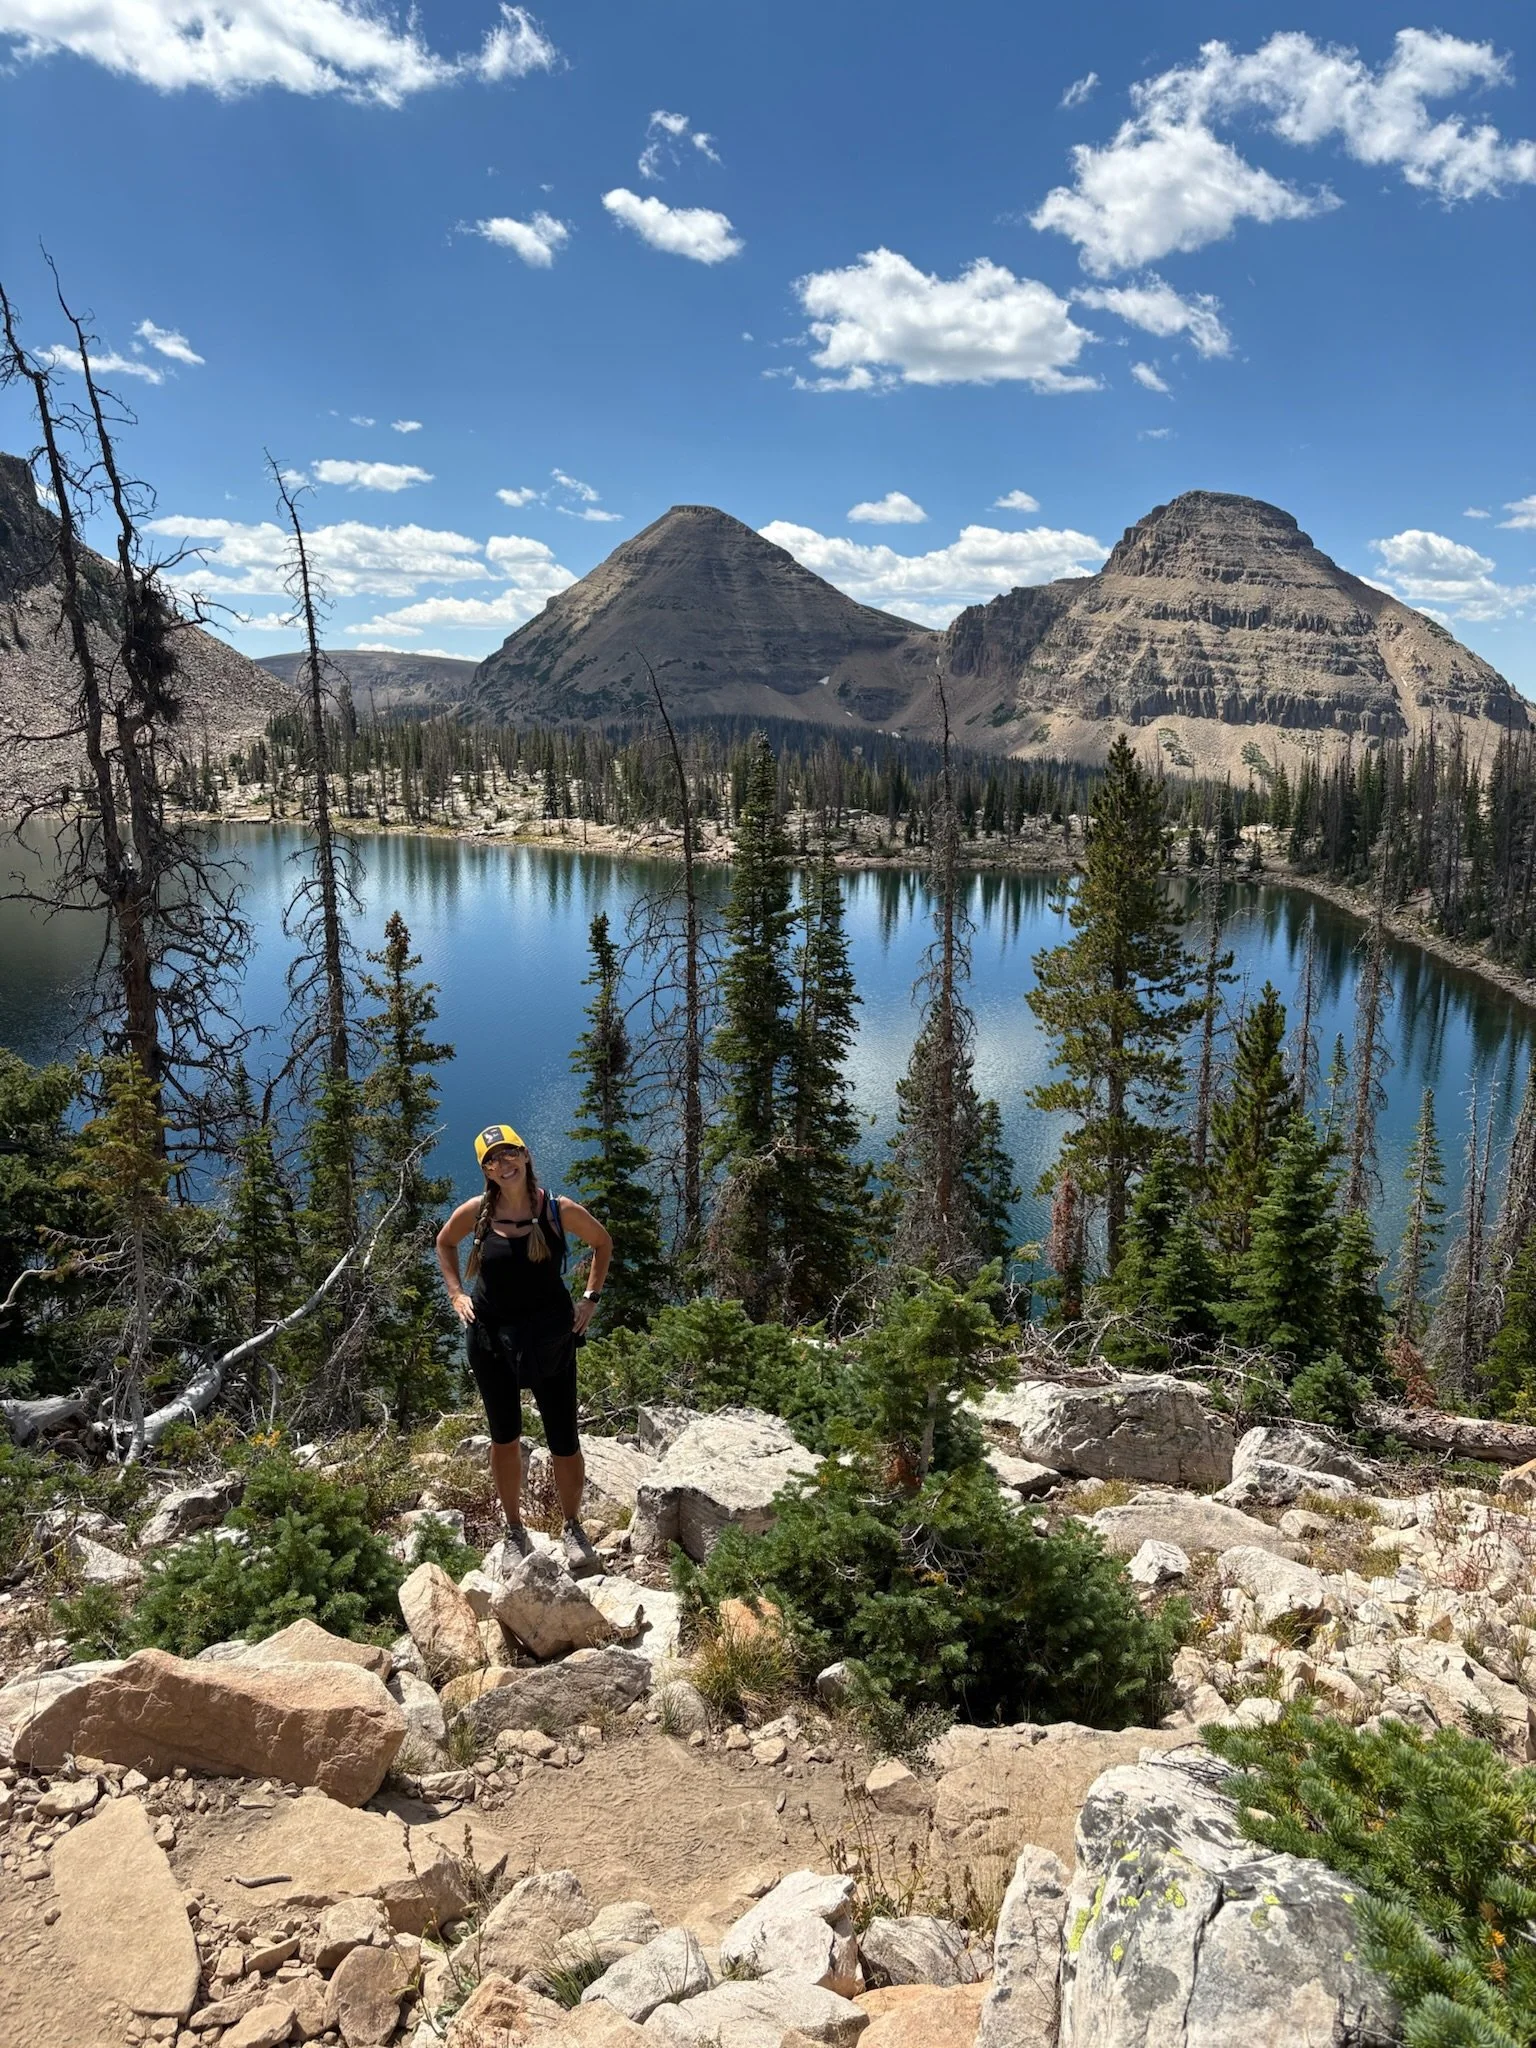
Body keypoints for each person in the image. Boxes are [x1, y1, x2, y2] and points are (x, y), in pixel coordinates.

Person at [435, 1123, 612, 1575]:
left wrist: (589, 1299)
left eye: (509, 1152)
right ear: (485, 1170)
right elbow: (444, 1243)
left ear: (526, 1154)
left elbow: (602, 1242)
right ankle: (514, 1530)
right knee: (504, 1437)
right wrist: (456, 1293)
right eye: (491, 1160)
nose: (502, 1163)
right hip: (493, 1340)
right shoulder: (476, 1213)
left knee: (563, 1439)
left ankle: (572, 1527)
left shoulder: (556, 1210)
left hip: (551, 1338)